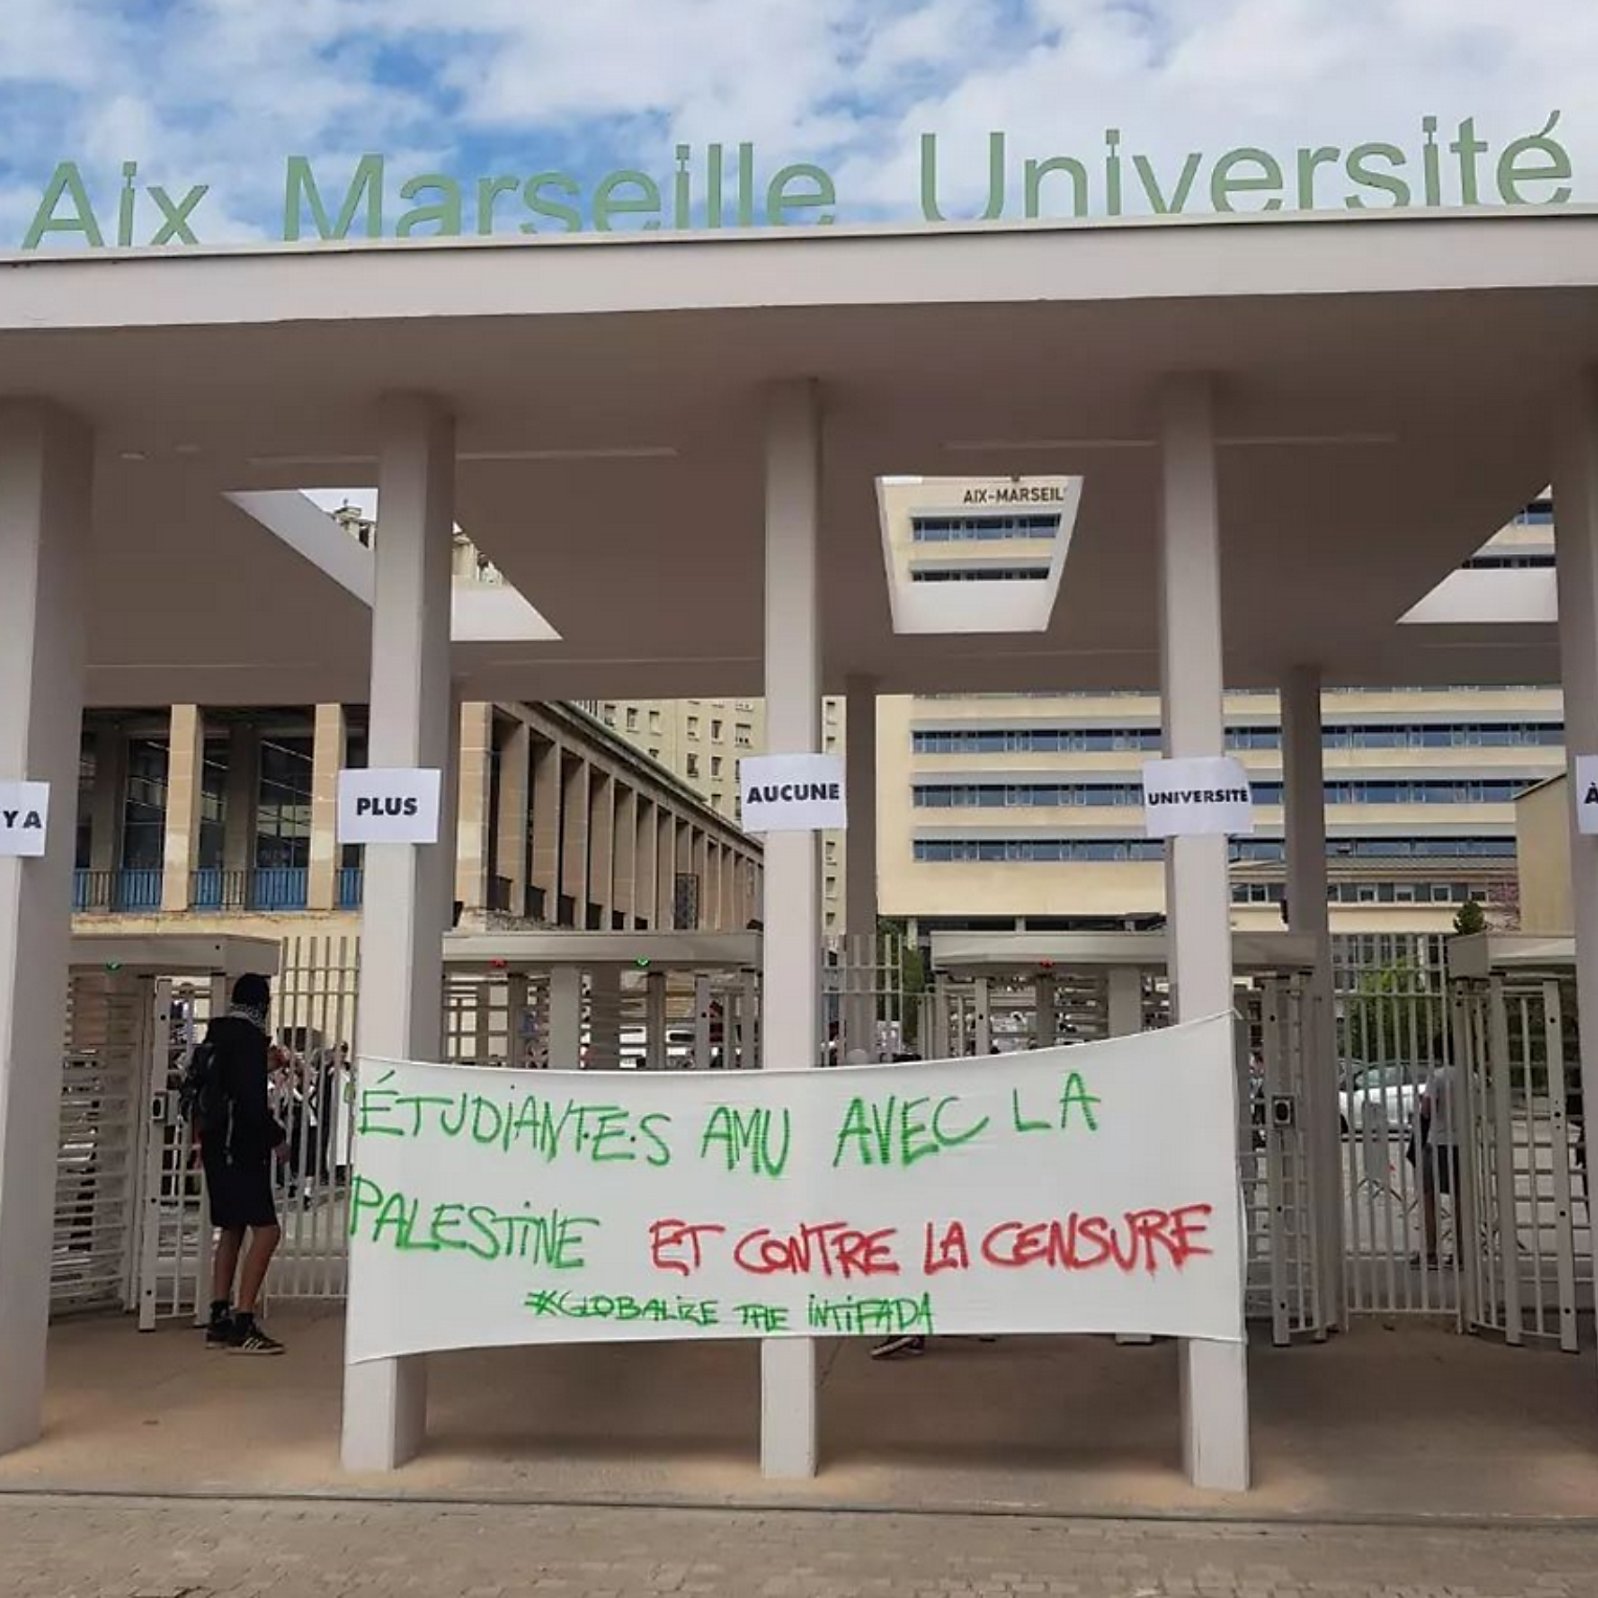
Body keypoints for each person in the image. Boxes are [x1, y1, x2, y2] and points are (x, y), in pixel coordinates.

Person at [195, 974, 288, 1354]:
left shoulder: (216, 1034)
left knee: (231, 1227)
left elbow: (221, 1085)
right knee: (267, 1231)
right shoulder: (249, 1040)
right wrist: (276, 1137)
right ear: (262, 1003)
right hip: (242, 1148)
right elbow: (250, 1102)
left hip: (216, 1145)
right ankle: (244, 1320)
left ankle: (218, 1316)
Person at [1412, 1061, 1460, 1267]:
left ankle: (1431, 1251)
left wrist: (1422, 1101)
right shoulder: (1472, 1077)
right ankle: (1461, 1251)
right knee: (1460, 1198)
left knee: (1428, 1196)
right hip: (1463, 1143)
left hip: (1438, 1142)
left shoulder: (1437, 1076)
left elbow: (1426, 1110)